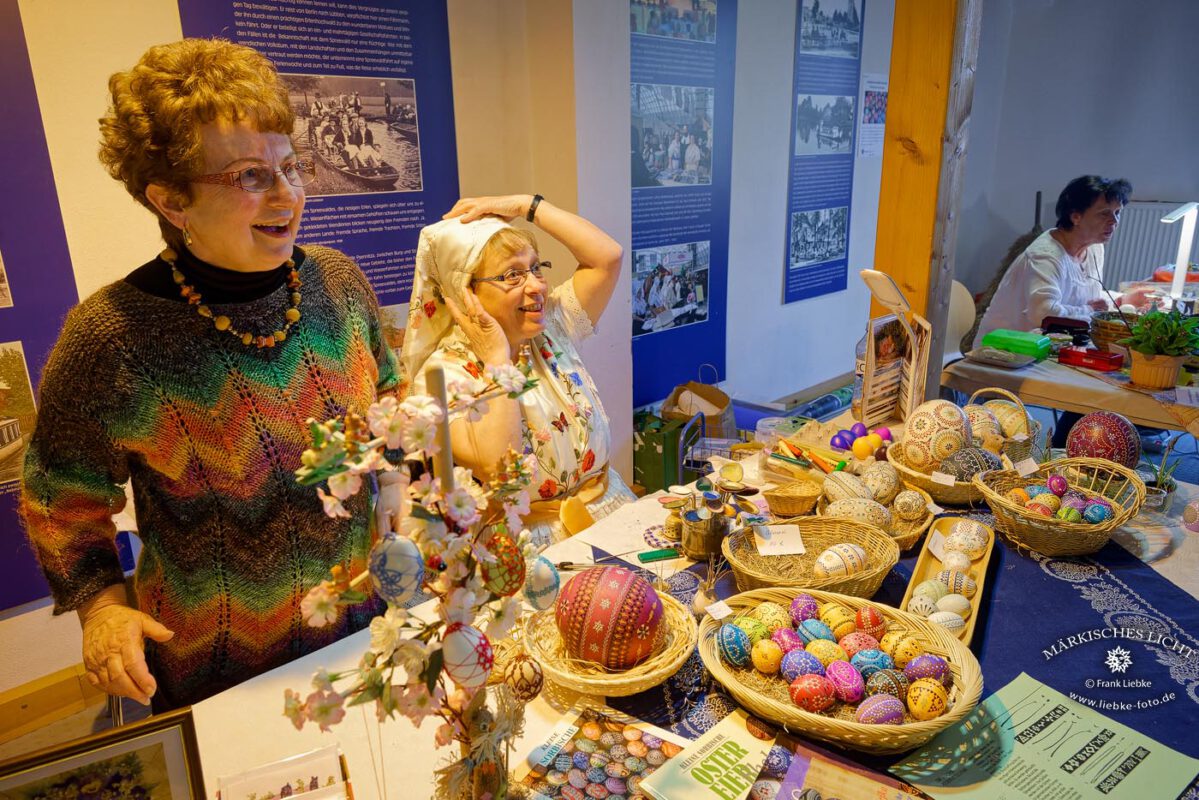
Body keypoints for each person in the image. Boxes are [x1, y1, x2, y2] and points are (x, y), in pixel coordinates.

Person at [20, 38, 397, 710]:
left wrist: (405, 486)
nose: (287, 195)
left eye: (292, 165)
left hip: (362, 635)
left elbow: (392, 400)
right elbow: (61, 498)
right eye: (250, 176)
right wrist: (103, 610)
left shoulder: (338, 285)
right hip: (216, 671)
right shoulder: (112, 337)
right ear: (171, 202)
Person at [401, 195, 635, 548]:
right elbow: (500, 469)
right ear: (465, 292)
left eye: (536, 268)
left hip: (608, 512)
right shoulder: (443, 377)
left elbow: (608, 256)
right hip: (532, 546)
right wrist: (497, 358)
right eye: (512, 274)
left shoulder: (550, 328)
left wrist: (526, 204)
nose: (537, 286)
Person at [973, 175, 1153, 347]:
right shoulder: (1046, 256)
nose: (1114, 221)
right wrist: (1091, 311)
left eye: (1117, 212)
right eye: (1104, 214)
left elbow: (1086, 299)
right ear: (1076, 216)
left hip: (1050, 345)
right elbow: (1044, 315)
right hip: (1005, 351)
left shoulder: (1094, 248)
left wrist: (1121, 301)